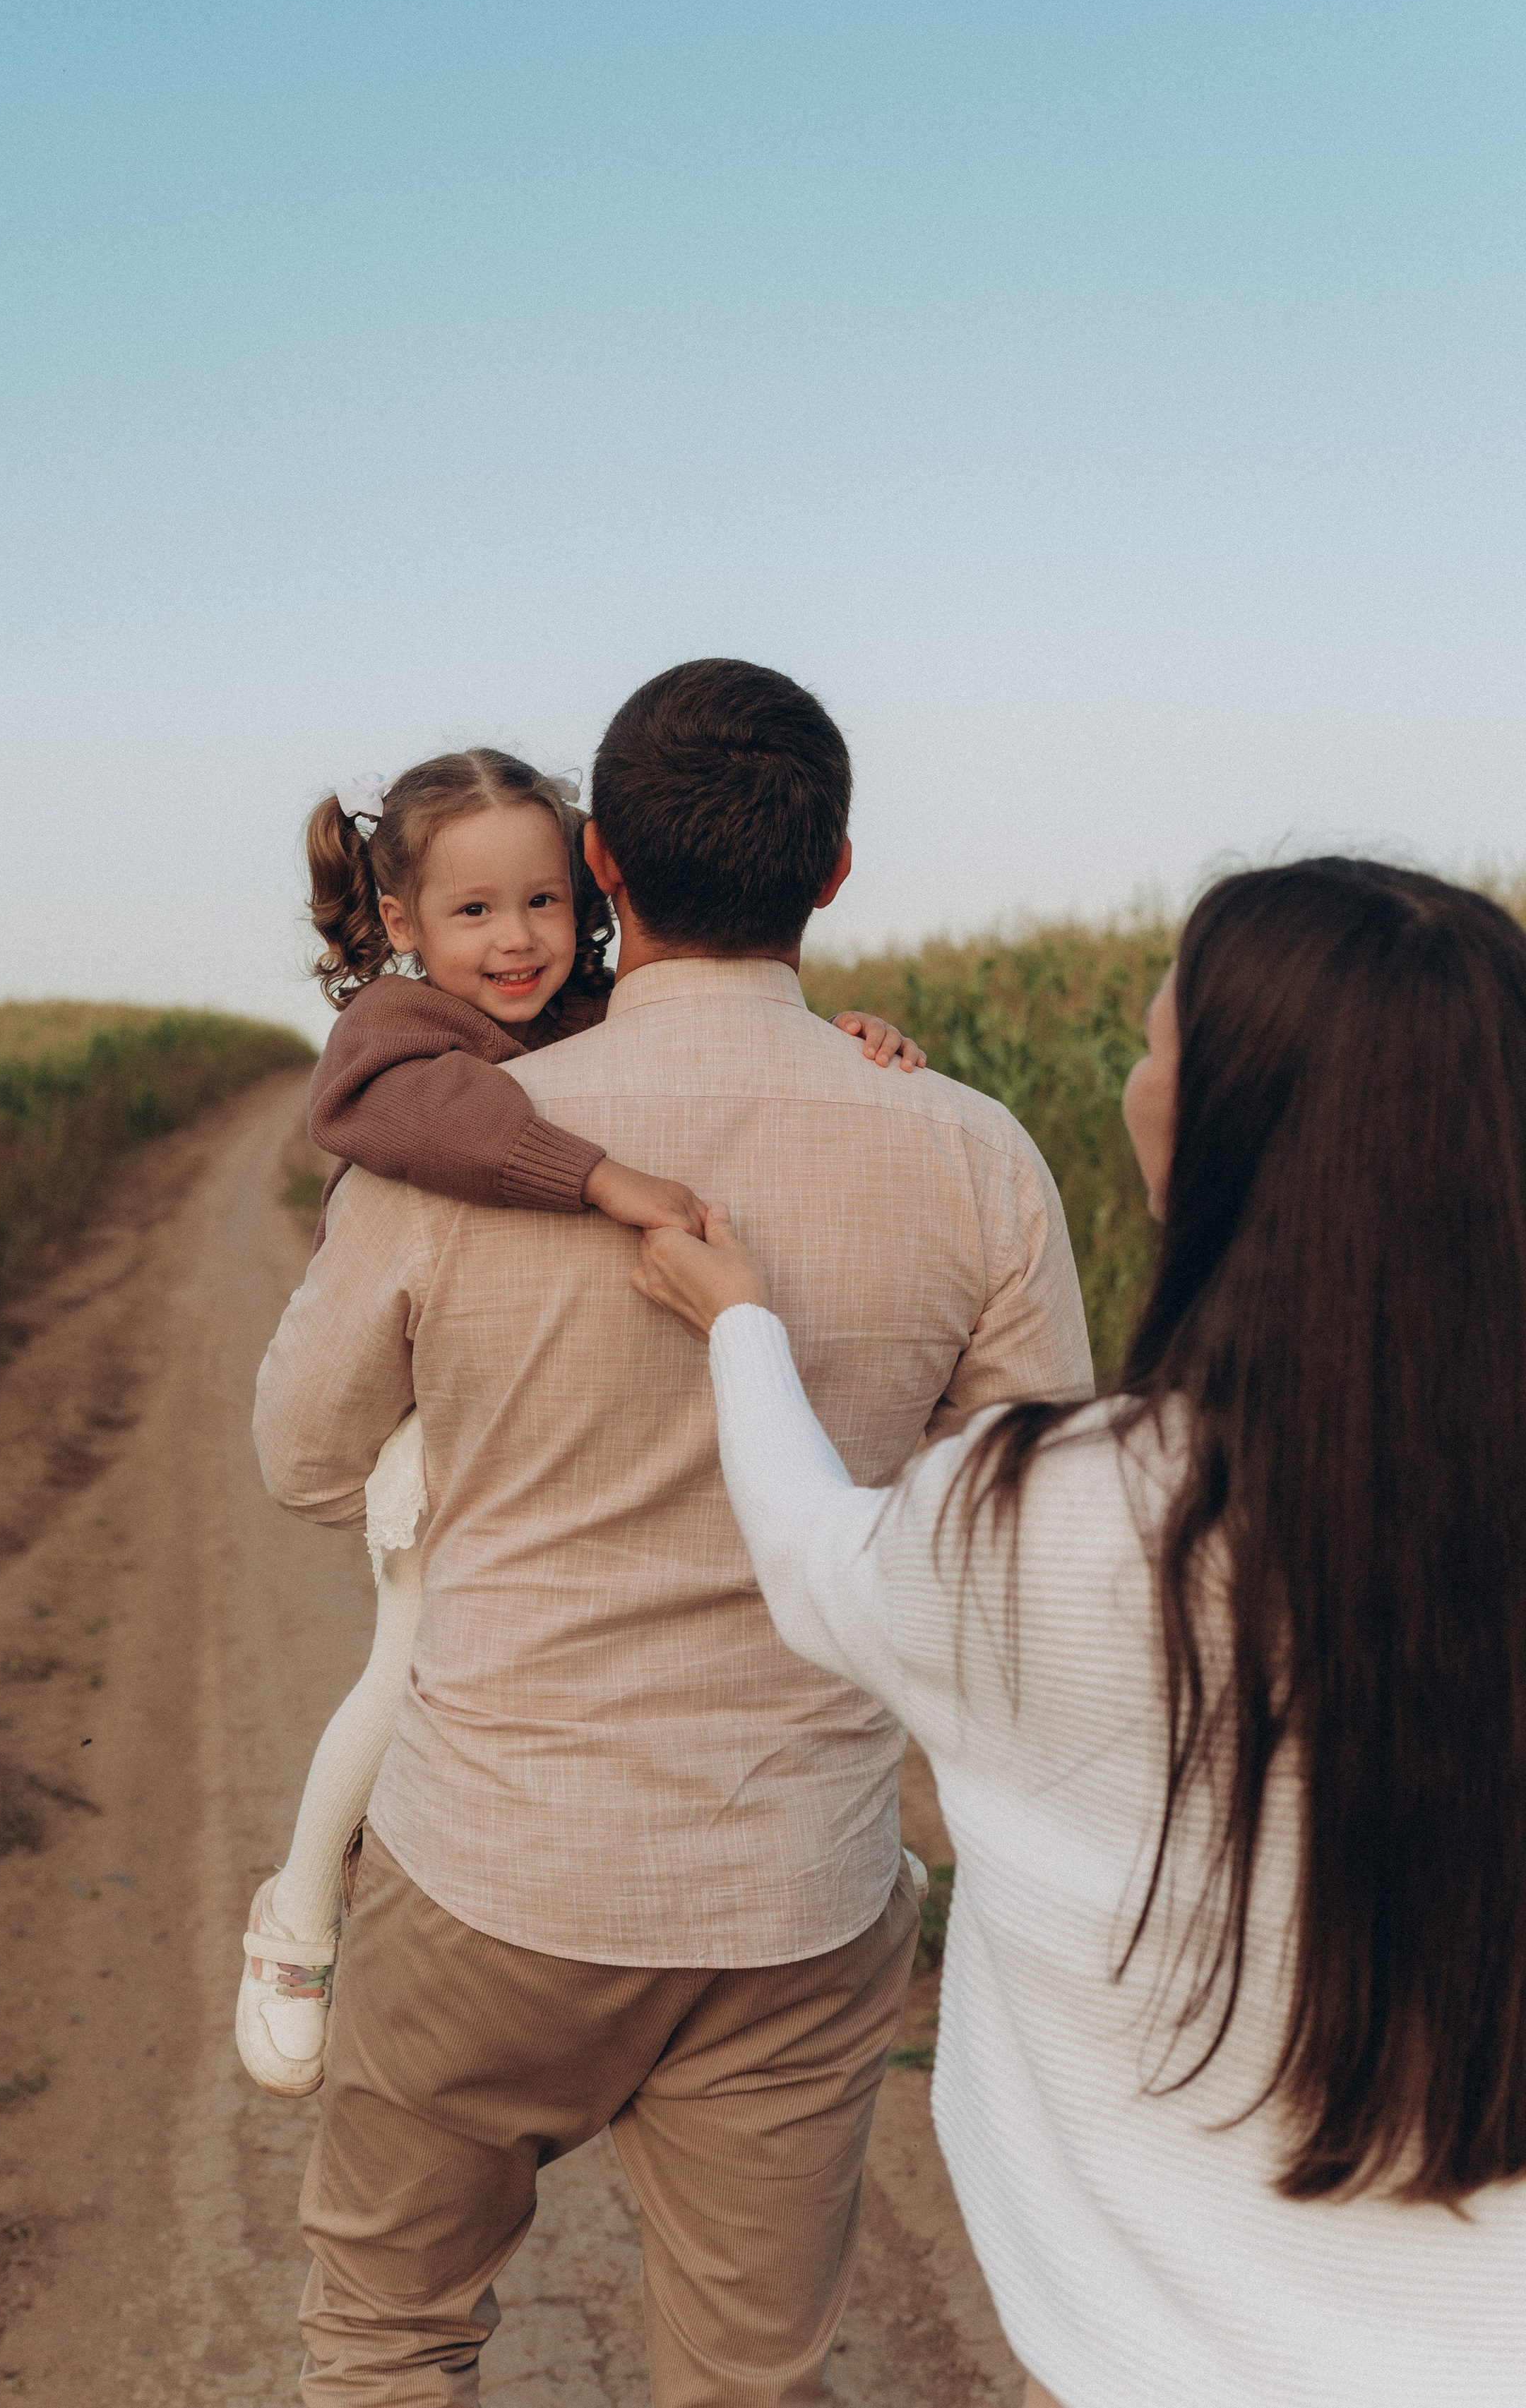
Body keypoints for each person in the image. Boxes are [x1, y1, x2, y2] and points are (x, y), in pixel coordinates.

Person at [252, 658, 1093, 2406]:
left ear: (601, 861)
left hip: (492, 1859)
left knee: (390, 2338)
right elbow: (1019, 1540)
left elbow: (300, 1457)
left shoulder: (456, 1143)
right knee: (744, 2380)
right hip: (793, 1883)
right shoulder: (974, 1153)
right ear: (837, 869)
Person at [633, 856, 1526, 2408]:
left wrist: (740, 1328)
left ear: (1218, 1132)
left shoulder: (1055, 1516)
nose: (1131, 1074)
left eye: (1153, 1042)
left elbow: (810, 1556)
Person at [239, 745, 925, 2097]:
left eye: (544, 904)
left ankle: (838, 1825)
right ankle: (301, 1907)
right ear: (401, 924)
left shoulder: (601, 1013)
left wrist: (857, 1046)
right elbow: (444, 1122)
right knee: (409, 1660)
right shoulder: (398, 1036)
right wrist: (600, 1174)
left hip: (542, 1387)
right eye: (476, 912)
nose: (516, 941)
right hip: (424, 1424)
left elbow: (719, 1053)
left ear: (593, 890)